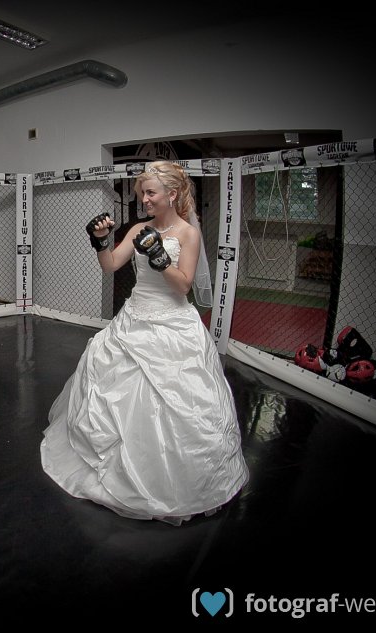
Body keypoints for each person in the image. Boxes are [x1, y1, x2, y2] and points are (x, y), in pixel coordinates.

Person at [40, 161, 248, 525]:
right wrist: (100, 242)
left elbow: (183, 286)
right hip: (133, 319)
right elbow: (110, 265)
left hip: (172, 323)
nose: (145, 200)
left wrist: (159, 257)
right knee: (111, 384)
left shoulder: (188, 233)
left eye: (150, 193)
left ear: (172, 193)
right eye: (142, 194)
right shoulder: (138, 228)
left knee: (177, 402)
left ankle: (172, 480)